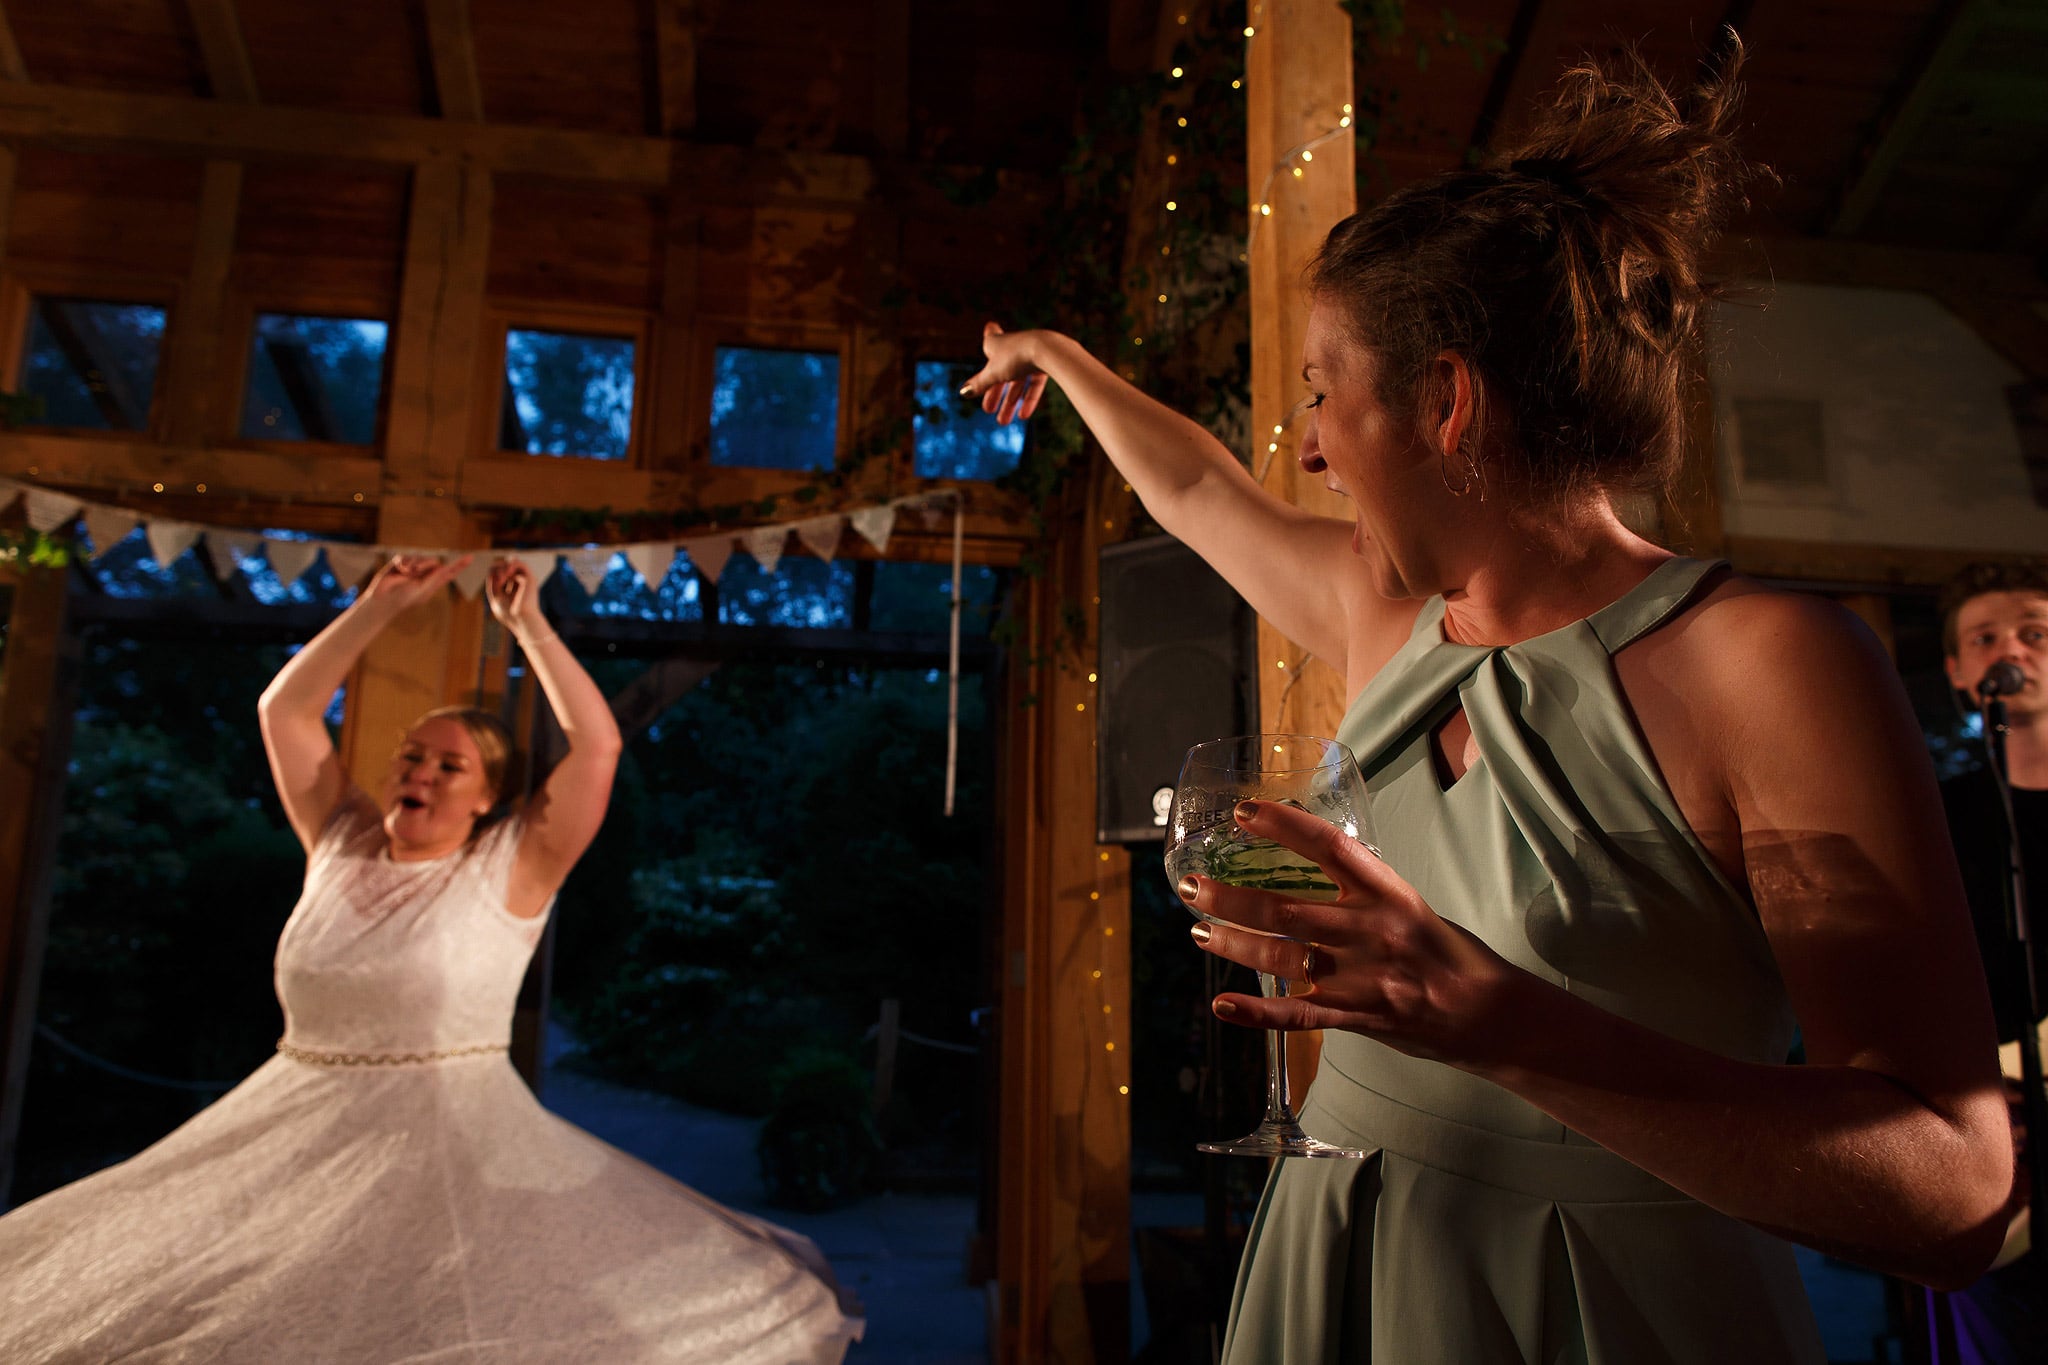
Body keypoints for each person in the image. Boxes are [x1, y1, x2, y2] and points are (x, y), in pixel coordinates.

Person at [963, 38, 2012, 1365]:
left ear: (1445, 401)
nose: (1309, 444)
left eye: (1321, 393)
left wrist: (1500, 1023)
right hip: (1335, 1255)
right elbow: (1198, 490)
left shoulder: (1767, 661)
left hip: (1611, 1306)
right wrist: (1061, 361)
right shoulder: (1383, 609)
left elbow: (1955, 1193)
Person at [0, 554, 863, 1364]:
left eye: (450, 764)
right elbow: (284, 713)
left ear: (488, 799)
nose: (421, 770)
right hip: (289, 1133)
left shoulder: (511, 864)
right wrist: (379, 604)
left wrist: (529, 625)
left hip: (451, 1149)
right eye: (412, 755)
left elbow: (596, 748)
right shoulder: (338, 841)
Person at [1927, 559, 2048, 1363]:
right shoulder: (1937, 816)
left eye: (2036, 632)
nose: (2014, 648)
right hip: (1999, 1143)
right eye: (1988, 636)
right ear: (1961, 671)